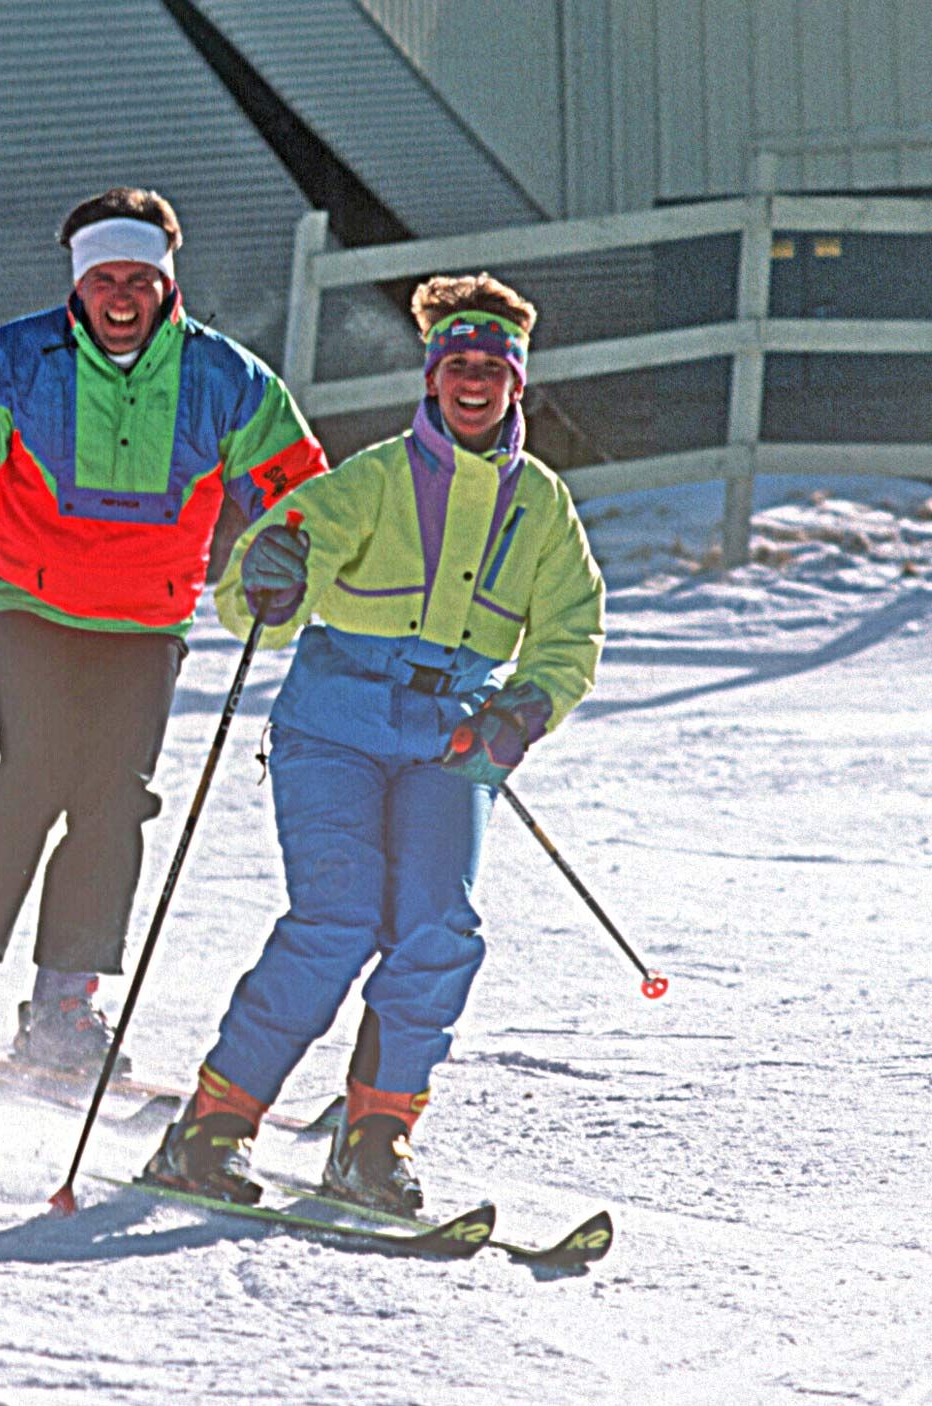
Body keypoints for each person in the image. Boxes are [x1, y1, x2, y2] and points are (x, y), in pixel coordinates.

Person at [0, 187, 327, 1075]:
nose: (120, 297)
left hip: (147, 619)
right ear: (77, 286)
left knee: (114, 802)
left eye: (137, 279)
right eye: (101, 280)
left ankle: (64, 1009)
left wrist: (296, 557)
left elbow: (298, 489)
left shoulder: (228, 380)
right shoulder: (17, 361)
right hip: (34, 609)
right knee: (32, 782)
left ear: (167, 284)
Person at [143, 272, 604, 1212]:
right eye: (457, 364)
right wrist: (271, 574)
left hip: (453, 740)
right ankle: (212, 1128)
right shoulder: (375, 479)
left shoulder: (543, 506)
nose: (473, 381)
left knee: (440, 928)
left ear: (519, 383)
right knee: (339, 918)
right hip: (335, 731)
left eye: (493, 368)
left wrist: (523, 709)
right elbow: (260, 587)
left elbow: (571, 631)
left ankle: (375, 1139)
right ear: (431, 376)